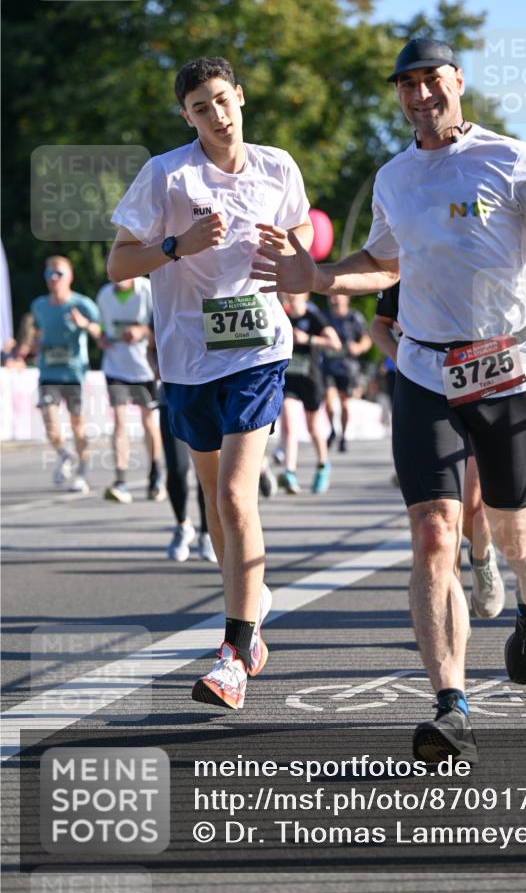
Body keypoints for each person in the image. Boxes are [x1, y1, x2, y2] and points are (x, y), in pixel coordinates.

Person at [251, 37, 526, 764]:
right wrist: (316, 275)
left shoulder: (509, 158)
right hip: (424, 371)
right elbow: (382, 265)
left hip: (506, 372)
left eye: (430, 81)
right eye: (406, 85)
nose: (419, 95)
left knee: (514, 539)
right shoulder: (393, 177)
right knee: (435, 534)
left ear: (457, 82)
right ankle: (451, 705)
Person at [107, 55, 313, 711]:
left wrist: (291, 248)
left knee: (232, 495)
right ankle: (250, 605)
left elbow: (303, 226)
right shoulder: (166, 174)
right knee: (215, 501)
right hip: (187, 358)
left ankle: (233, 654)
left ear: (240, 97)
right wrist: (178, 245)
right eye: (201, 108)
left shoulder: (277, 166)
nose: (216, 115)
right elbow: (118, 264)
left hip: (258, 348)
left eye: (223, 100)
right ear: (186, 116)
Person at [371, 281, 505, 618]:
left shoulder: (480, 258)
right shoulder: (407, 265)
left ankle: (482, 556)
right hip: (426, 392)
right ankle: (451, 620)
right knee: (442, 517)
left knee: (474, 508)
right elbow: (379, 325)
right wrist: (404, 360)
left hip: (479, 385)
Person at [29, 256, 102, 493]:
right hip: (48, 371)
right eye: (49, 274)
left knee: (77, 425)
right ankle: (64, 454)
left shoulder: (82, 304)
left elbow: (100, 332)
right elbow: (38, 332)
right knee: (49, 422)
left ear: (70, 277)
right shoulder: (39, 305)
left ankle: (82, 473)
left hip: (73, 373)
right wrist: (35, 344)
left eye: (58, 273)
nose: (53, 278)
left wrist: (84, 324)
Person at [95, 276, 166, 503]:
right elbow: (102, 327)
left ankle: (155, 475)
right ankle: (121, 481)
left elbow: (164, 324)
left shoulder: (148, 290)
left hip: (144, 368)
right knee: (119, 421)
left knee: (148, 422)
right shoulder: (104, 295)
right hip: (115, 367)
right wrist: (101, 339)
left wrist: (142, 331)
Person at [277, 291, 341, 494]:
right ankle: (289, 472)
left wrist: (308, 338)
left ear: (304, 294)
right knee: (288, 422)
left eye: (294, 292)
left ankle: (323, 464)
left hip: (311, 379)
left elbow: (335, 343)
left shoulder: (314, 317)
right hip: (289, 379)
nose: (290, 295)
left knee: (312, 427)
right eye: (287, 292)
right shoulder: (282, 316)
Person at [158, 383, 215, 562]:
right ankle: (182, 525)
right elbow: (154, 365)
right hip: (172, 397)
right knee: (176, 467)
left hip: (208, 395)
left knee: (206, 472)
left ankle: (208, 532)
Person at [323, 293, 372, 451]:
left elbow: (366, 339)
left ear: (346, 298)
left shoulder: (354, 317)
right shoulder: (324, 316)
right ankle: (332, 429)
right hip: (328, 366)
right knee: (329, 401)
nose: (334, 299)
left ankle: (343, 435)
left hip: (347, 367)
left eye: (338, 296)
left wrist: (359, 347)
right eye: (332, 296)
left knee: (344, 404)